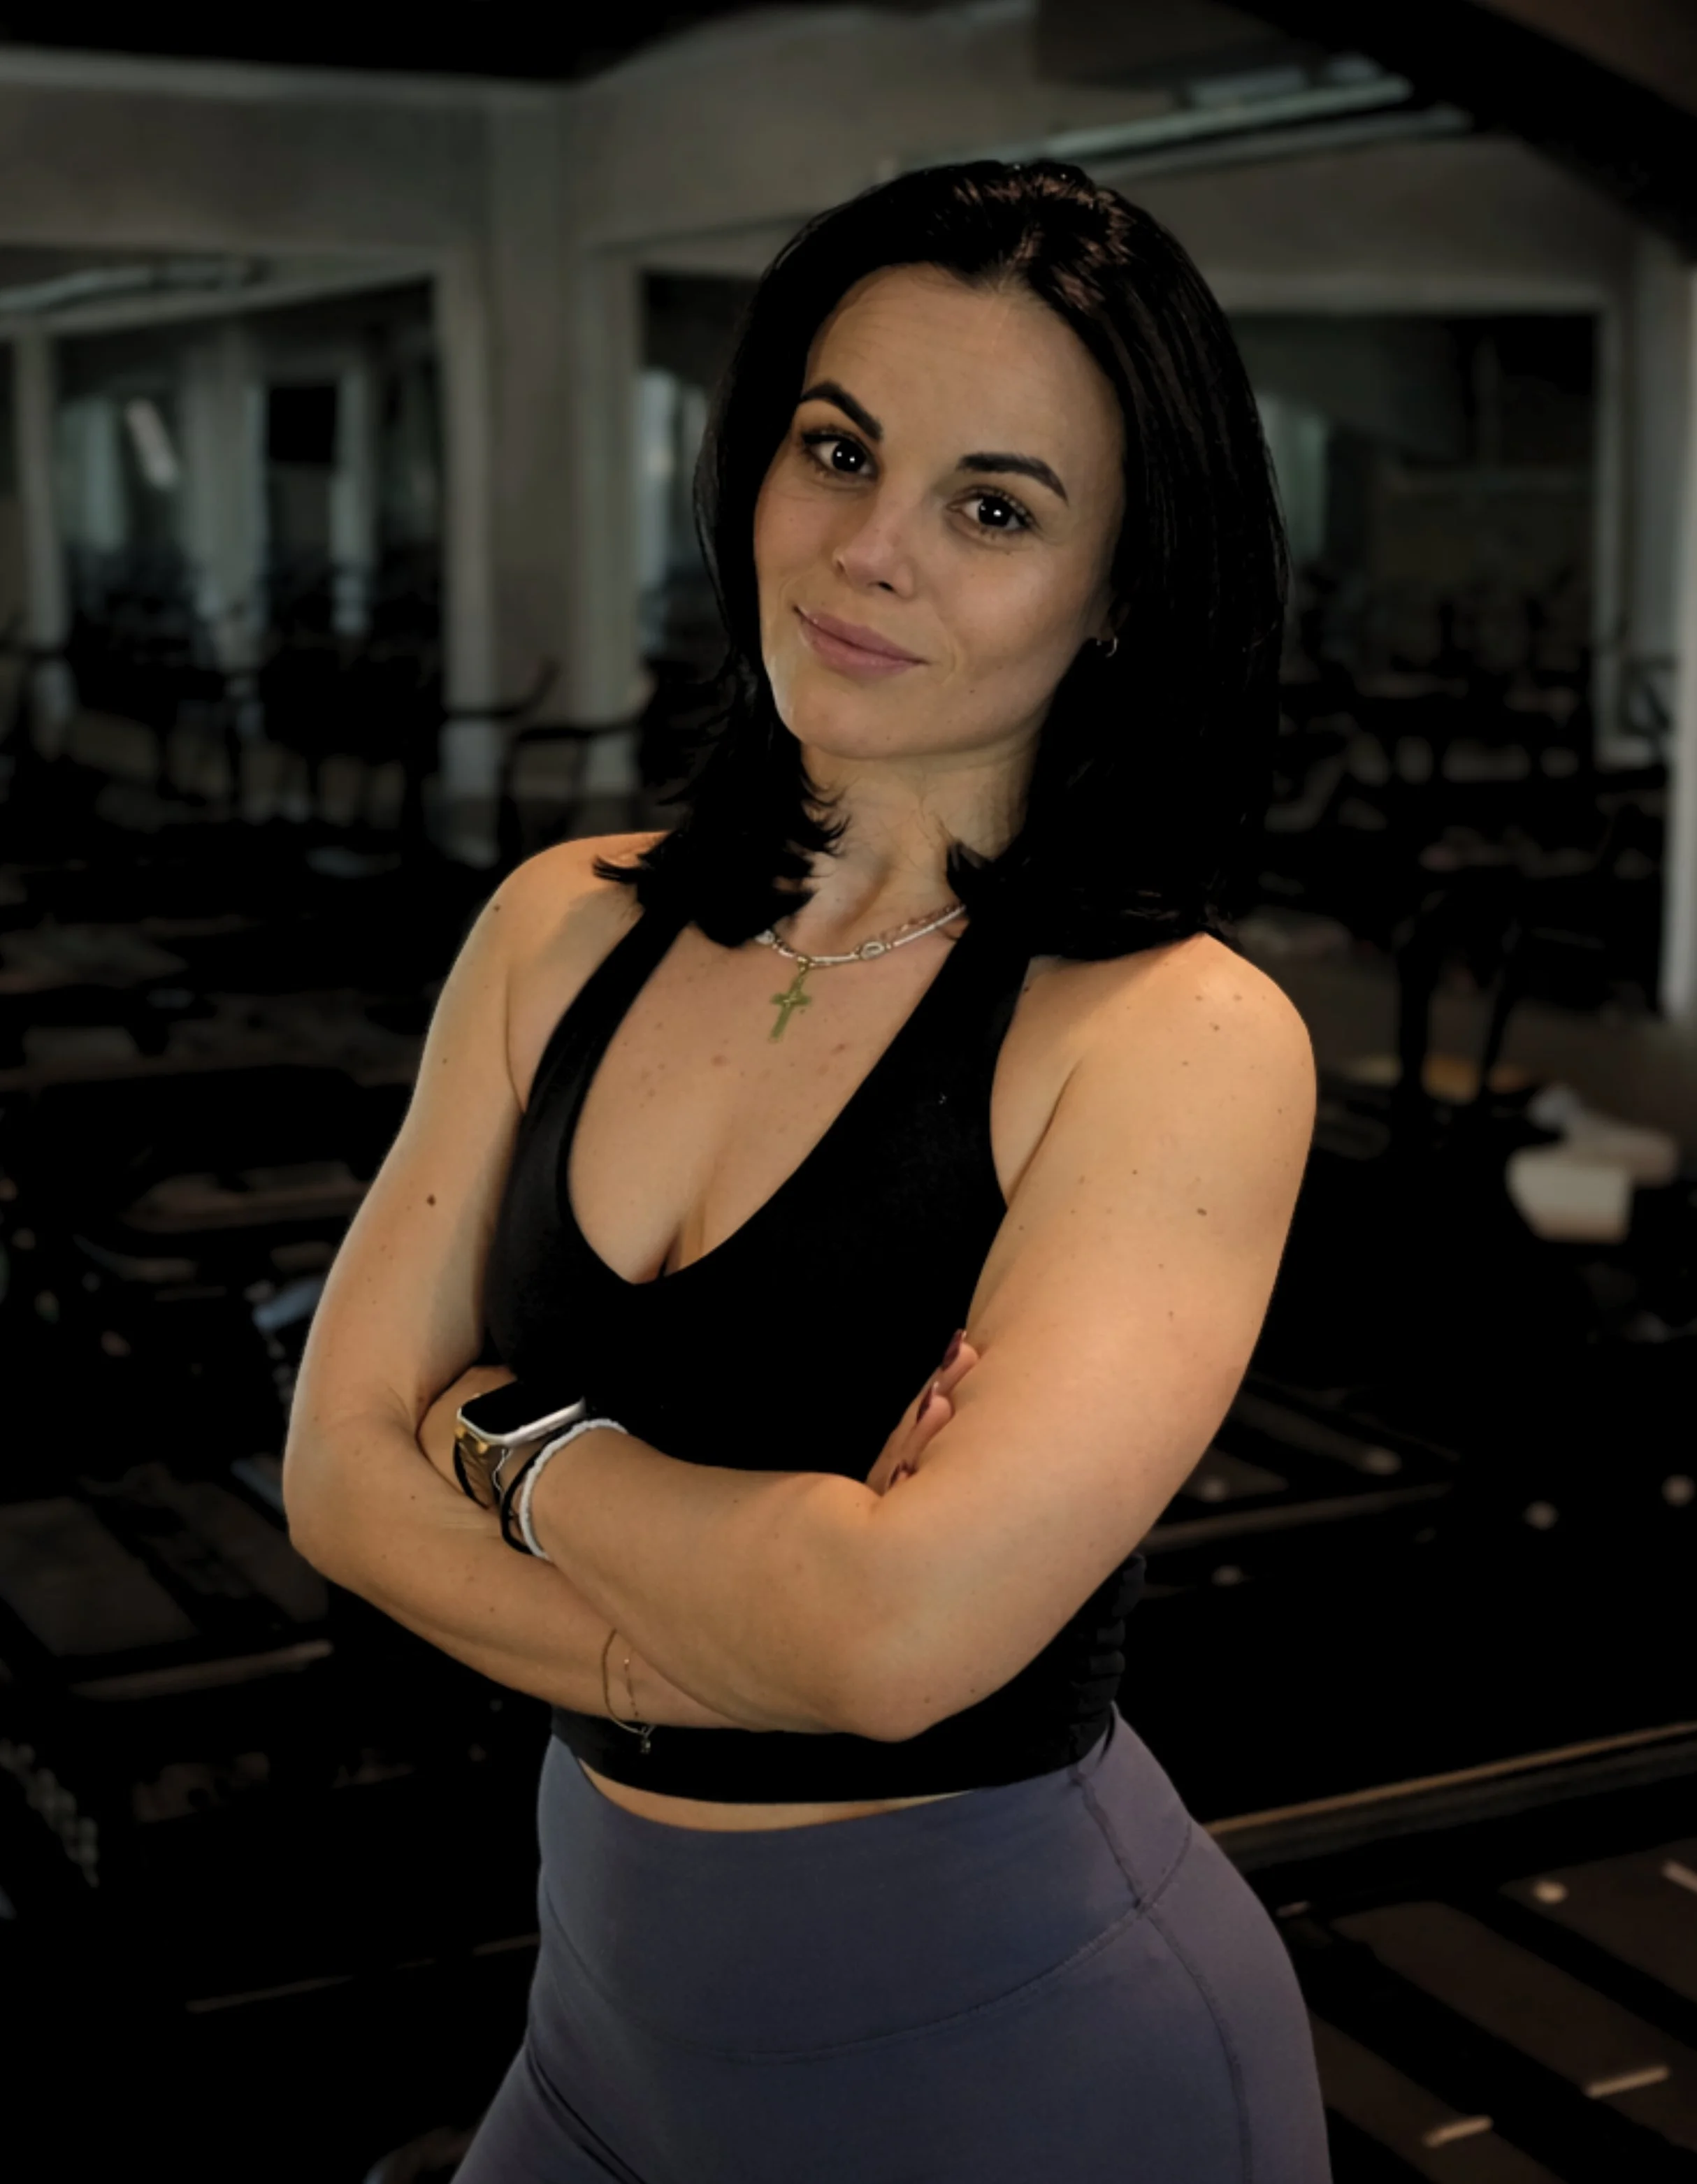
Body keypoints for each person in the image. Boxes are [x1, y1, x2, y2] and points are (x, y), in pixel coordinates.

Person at [284, 161, 1329, 2183]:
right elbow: (333, 1475)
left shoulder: (1171, 1039)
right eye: (835, 448)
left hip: (1021, 2063)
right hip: (597, 2019)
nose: (866, 553)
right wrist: (694, 1637)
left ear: (1121, 586)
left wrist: (515, 1453)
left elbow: (887, 1643)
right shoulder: (558, 927)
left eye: (994, 507)